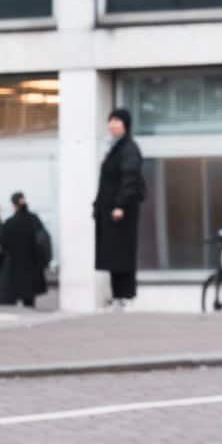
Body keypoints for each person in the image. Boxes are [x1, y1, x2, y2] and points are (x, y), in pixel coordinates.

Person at [95, 108, 146, 309]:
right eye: (110, 121)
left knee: (122, 255)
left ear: (125, 125)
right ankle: (118, 296)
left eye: (117, 121)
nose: (112, 125)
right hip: (110, 211)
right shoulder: (114, 148)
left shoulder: (129, 148)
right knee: (114, 257)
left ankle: (125, 296)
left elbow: (130, 178)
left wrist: (120, 205)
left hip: (122, 213)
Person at [0, 191, 53, 309]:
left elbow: (2, 245)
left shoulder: (9, 223)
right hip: (32, 267)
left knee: (11, 303)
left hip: (14, 268)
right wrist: (45, 261)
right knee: (29, 302)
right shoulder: (34, 220)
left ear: (13, 205)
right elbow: (44, 240)